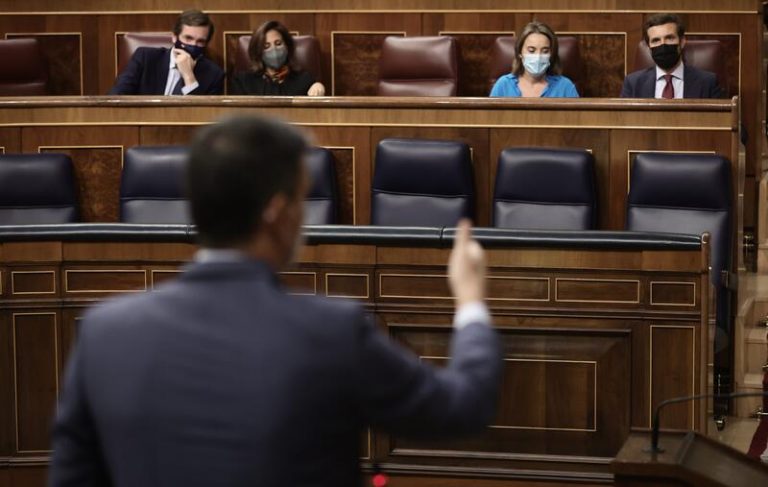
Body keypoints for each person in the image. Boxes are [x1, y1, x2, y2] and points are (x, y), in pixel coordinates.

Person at [48, 115, 501, 487]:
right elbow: (463, 407)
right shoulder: (331, 331)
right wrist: (470, 301)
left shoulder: (104, 332)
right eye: (302, 200)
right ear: (276, 211)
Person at [108, 9, 224, 95]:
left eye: (200, 41)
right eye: (188, 38)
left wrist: (189, 76)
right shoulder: (145, 58)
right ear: (174, 37)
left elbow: (202, 114)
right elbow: (117, 97)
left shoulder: (214, 74)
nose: (193, 45)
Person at [620, 13, 723, 98]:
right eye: (656, 40)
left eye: (669, 38)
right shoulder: (633, 84)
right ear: (649, 46)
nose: (663, 45)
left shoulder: (708, 83)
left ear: (682, 42)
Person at [230, 20, 326, 96]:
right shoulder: (243, 82)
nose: (274, 50)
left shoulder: (304, 80)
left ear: (287, 46)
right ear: (258, 52)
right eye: (266, 46)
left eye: (278, 44)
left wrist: (318, 87)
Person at [490, 21, 579, 98]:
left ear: (551, 54)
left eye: (545, 51)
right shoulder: (503, 85)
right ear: (520, 53)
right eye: (531, 50)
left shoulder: (565, 87)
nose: (538, 56)